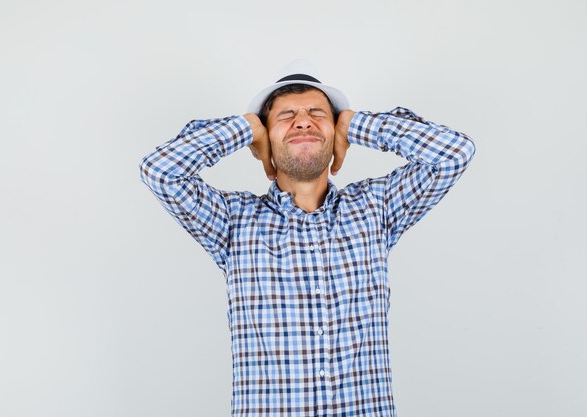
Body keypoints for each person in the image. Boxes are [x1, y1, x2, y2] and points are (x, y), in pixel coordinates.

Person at [139, 59, 476, 417]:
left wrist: (356, 123)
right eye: (286, 116)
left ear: (336, 135)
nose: (303, 120)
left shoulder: (377, 208)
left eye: (318, 113)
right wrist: (246, 127)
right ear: (264, 140)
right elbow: (160, 171)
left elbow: (454, 153)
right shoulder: (232, 221)